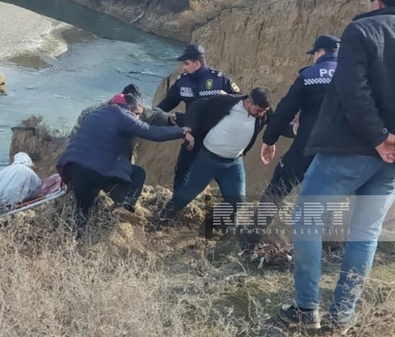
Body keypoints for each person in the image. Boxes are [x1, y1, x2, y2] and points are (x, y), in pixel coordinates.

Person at [278, 0, 395, 335]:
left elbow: (353, 90)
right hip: (390, 161)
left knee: (307, 221)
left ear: (376, 0)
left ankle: (305, 308)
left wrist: (378, 136)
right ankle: (342, 316)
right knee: (366, 234)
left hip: (350, 148)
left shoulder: (363, 31)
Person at [150, 88, 289, 234]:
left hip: (234, 163)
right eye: (258, 110)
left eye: (264, 111)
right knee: (185, 196)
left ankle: (206, 229)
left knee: (237, 201)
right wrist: (189, 128)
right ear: (248, 101)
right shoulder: (226, 102)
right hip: (208, 159)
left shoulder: (264, 112)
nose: (261, 114)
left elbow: (278, 124)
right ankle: (157, 225)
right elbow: (197, 106)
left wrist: (296, 130)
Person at [245, 35, 339, 246]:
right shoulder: (357, 74)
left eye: (313, 54)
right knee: (330, 193)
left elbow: (285, 111)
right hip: (342, 149)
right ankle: (331, 243)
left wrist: (269, 140)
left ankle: (253, 234)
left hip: (308, 145)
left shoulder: (310, 75)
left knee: (279, 184)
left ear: (320, 52)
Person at [57, 92, 189, 238]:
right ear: (129, 108)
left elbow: (151, 115)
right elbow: (152, 132)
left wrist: (168, 118)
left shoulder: (94, 113)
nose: (138, 118)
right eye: (137, 114)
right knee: (138, 173)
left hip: (73, 168)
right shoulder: (123, 115)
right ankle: (124, 207)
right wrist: (182, 131)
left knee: (82, 209)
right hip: (97, 170)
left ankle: (76, 241)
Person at [156, 44, 241, 193]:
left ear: (198, 63)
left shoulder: (221, 80)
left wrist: (228, 97)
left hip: (218, 136)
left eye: (186, 63)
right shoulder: (182, 82)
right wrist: (148, 116)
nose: (183, 68)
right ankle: (176, 205)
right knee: (182, 171)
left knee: (220, 174)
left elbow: (241, 103)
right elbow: (166, 104)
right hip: (193, 134)